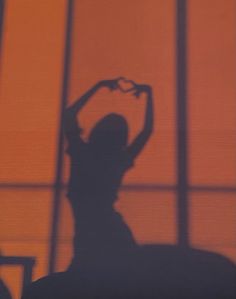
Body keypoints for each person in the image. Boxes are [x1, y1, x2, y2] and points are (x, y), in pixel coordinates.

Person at [64, 78, 153, 266]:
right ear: (122, 138)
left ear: (97, 130)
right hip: (113, 231)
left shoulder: (82, 153)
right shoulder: (117, 160)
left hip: (86, 235)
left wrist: (98, 86)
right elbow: (146, 131)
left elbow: (69, 114)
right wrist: (149, 94)